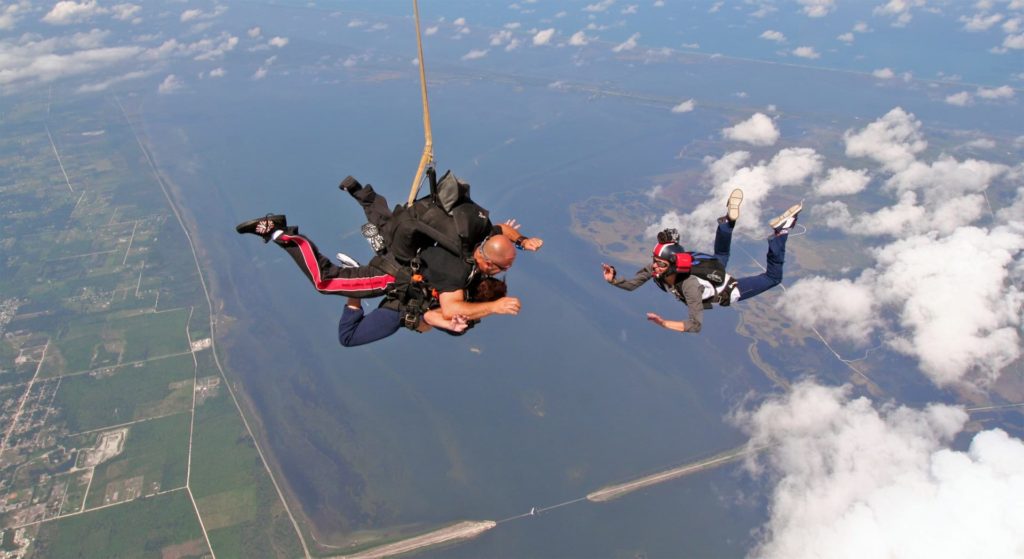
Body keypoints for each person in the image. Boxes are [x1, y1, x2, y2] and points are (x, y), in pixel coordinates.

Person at [235, 213, 524, 321]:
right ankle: (280, 233)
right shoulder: (460, 273)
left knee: (331, 279)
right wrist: (494, 307)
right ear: (487, 261)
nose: (500, 272)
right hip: (387, 276)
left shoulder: (471, 242)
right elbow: (451, 309)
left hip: (398, 260)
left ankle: (281, 232)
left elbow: (496, 230)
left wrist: (522, 239)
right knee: (324, 281)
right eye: (500, 268)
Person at [601, 189, 803, 334]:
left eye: (660, 263)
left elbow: (695, 325)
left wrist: (664, 324)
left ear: (672, 264)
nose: (654, 266)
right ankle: (727, 222)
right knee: (720, 256)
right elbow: (632, 285)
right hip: (714, 270)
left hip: (727, 289)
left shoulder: (689, 286)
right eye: (655, 261)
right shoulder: (658, 270)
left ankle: (781, 232)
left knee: (773, 278)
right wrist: (613, 280)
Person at [338, 276, 508, 346]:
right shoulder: (462, 314)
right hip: (400, 310)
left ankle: (362, 279)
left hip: (405, 282)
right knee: (348, 337)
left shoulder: (461, 276)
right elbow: (429, 316)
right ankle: (355, 285)